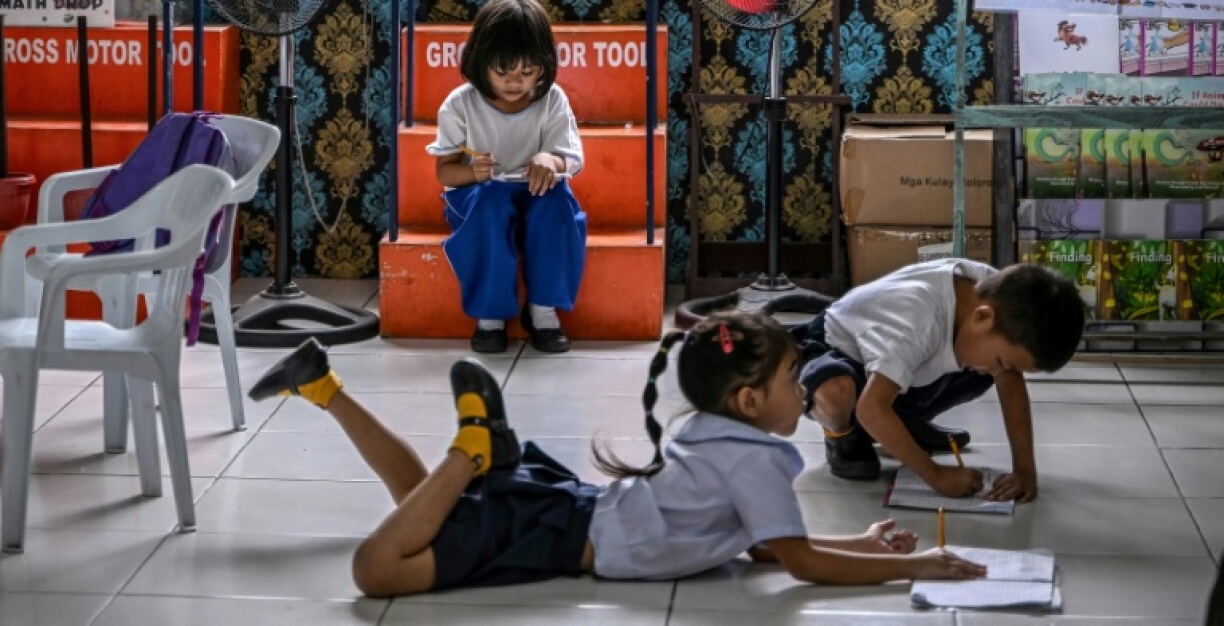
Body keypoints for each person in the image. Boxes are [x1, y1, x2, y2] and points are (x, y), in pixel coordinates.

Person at [246, 314, 988, 598]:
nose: (806, 392)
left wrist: (860, 542)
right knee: (376, 571)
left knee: (419, 502)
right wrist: (912, 566)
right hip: (554, 534)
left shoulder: (711, 431)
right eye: (794, 380)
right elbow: (796, 562)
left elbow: (763, 544)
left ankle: (322, 385)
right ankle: (472, 447)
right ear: (748, 401)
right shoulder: (756, 460)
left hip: (566, 510)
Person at [790, 259, 1085, 501]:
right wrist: (936, 475)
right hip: (835, 351)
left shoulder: (998, 295)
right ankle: (842, 436)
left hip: (899, 368)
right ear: (983, 318)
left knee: (992, 370)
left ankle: (902, 424)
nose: (1004, 369)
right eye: (1003, 360)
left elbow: (1011, 383)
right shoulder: (916, 321)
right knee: (836, 391)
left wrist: (1024, 471)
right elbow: (870, 408)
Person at [426, 0, 585, 354]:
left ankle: (543, 311)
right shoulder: (460, 104)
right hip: (480, 195)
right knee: (490, 205)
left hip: (535, 191)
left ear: (543, 66)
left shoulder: (552, 99)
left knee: (557, 205)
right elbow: (445, 172)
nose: (515, 82)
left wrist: (551, 161)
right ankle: (490, 317)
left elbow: (571, 159)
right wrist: (473, 174)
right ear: (480, 62)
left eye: (527, 72)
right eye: (502, 72)